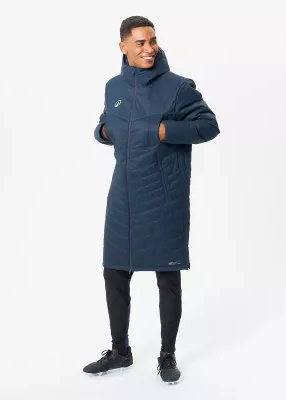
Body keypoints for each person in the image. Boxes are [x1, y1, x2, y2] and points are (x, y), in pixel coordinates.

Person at [83, 16, 220, 384]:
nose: (150, 48)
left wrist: (164, 130)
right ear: (123, 47)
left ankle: (167, 354)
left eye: (153, 40)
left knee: (167, 275)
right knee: (114, 271)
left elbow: (209, 125)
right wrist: (103, 131)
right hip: (123, 195)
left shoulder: (178, 87)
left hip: (163, 195)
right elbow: (108, 120)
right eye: (141, 42)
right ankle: (120, 352)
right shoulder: (114, 86)